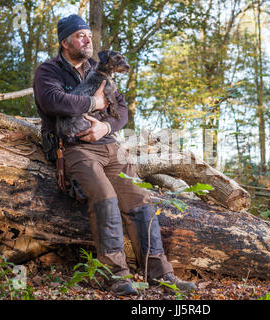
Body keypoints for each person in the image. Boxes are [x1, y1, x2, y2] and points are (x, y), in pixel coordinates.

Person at [33, 14, 197, 296]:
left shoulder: (98, 67)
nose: (88, 39)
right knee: (105, 197)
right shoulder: (48, 71)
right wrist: (93, 102)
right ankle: (116, 276)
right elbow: (54, 101)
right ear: (64, 42)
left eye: (89, 34)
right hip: (74, 147)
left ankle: (161, 275)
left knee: (141, 200)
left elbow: (121, 110)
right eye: (80, 36)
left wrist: (105, 125)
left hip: (109, 145)